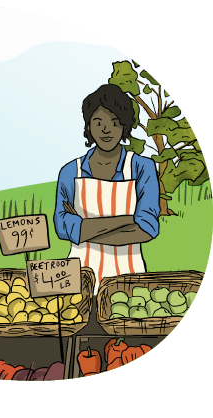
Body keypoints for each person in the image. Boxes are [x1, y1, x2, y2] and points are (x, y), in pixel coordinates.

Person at [55, 84, 160, 291]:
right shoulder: (70, 171)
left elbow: (148, 228)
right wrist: (127, 220)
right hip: (78, 279)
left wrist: (84, 229)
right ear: (88, 126)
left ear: (124, 126)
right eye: (98, 121)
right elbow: (62, 225)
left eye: (114, 122)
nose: (106, 129)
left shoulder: (142, 168)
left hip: (130, 279)